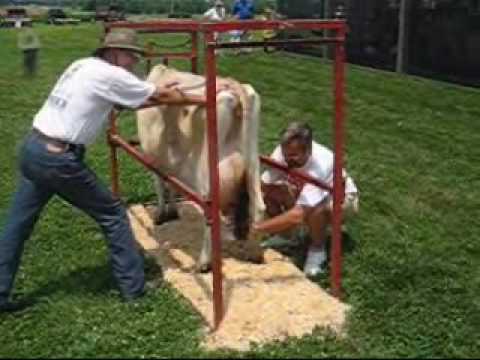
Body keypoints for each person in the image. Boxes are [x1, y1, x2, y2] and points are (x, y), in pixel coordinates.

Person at [0, 28, 195, 313]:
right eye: (130, 56)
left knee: (17, 225)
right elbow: (161, 96)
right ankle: (134, 289)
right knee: (113, 214)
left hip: (33, 148)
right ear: (114, 53)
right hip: (58, 159)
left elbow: (126, 100)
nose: (134, 62)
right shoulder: (112, 75)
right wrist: (201, 96)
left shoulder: (82, 65)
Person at [252, 122, 359, 277]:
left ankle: (318, 250)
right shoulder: (284, 152)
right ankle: (286, 237)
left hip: (341, 200)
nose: (287, 159)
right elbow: (264, 185)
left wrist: (257, 229)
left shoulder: (323, 164)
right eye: (285, 154)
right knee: (272, 191)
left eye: (293, 156)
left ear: (308, 150)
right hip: (304, 190)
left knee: (317, 209)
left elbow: (298, 215)